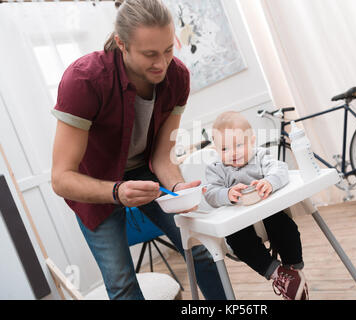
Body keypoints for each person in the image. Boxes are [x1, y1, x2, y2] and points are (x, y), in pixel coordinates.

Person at [50, 0, 226, 300]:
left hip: (145, 170)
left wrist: (178, 187)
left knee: (200, 254)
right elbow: (61, 178)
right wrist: (117, 192)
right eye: (149, 54)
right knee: (122, 284)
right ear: (122, 44)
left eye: (168, 50)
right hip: (94, 182)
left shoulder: (177, 76)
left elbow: (161, 157)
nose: (162, 63)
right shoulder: (84, 80)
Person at [204, 111, 309, 300]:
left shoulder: (260, 156)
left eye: (239, 145)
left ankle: (293, 270)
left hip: (268, 216)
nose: (233, 152)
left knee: (285, 226)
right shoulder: (216, 169)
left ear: (251, 141)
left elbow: (281, 169)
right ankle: (279, 274)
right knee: (237, 240)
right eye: (225, 149)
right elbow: (210, 194)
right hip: (239, 223)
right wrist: (226, 194)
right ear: (216, 150)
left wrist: (269, 182)